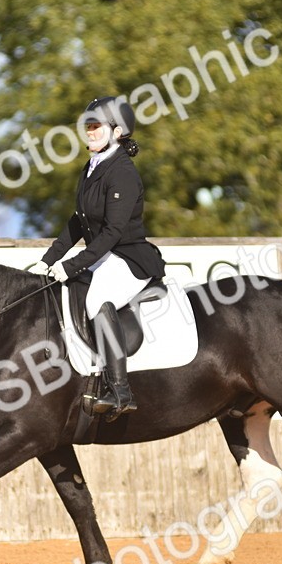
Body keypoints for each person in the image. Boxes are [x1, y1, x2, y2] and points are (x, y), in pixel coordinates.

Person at [37, 96, 166, 420]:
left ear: (118, 130)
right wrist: (48, 260)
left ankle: (120, 390)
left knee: (97, 299)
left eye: (97, 126)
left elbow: (112, 233)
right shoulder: (92, 166)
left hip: (129, 257)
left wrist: (71, 265)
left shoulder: (122, 172)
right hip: (105, 255)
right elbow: (78, 221)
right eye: (88, 126)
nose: (90, 131)